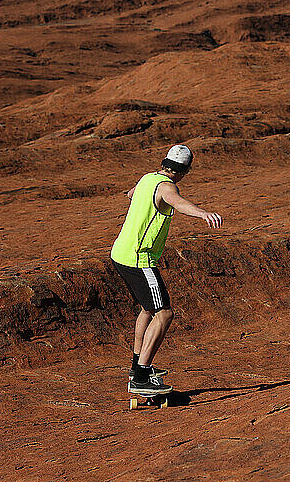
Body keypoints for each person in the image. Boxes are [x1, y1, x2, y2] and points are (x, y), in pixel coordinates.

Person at [111, 145, 222, 395]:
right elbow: (178, 203)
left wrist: (138, 196)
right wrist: (202, 213)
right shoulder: (167, 187)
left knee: (148, 309)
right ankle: (140, 377)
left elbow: (131, 193)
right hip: (139, 259)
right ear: (185, 171)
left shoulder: (148, 178)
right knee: (164, 314)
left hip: (120, 254)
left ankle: (136, 367)